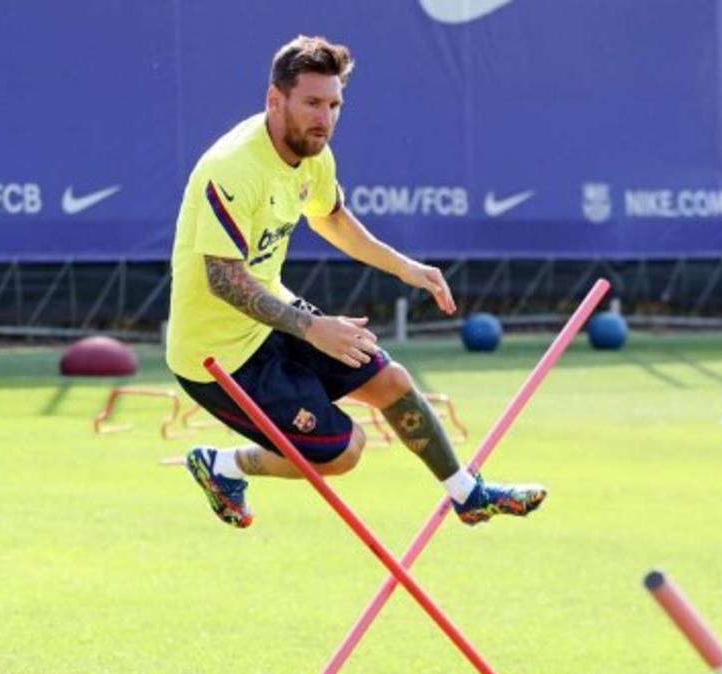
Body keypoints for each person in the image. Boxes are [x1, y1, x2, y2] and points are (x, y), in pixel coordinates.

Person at [165, 35, 545, 529]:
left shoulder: (314, 154)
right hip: (215, 357)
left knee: (391, 381)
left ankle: (467, 495)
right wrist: (310, 327)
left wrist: (404, 267)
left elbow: (332, 218)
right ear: (274, 100)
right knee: (344, 450)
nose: (324, 117)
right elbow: (222, 278)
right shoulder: (233, 167)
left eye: (334, 104)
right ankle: (223, 466)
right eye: (312, 103)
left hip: (274, 316)